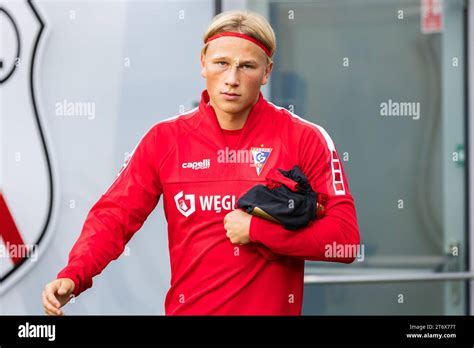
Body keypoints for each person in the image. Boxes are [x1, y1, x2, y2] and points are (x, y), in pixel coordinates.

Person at [42, 10, 360, 316]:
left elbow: (345, 242)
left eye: (247, 66)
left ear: (267, 73)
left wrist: (259, 230)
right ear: (203, 63)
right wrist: (76, 273)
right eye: (221, 63)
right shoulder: (165, 139)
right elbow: (115, 217)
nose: (232, 79)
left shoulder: (304, 138)